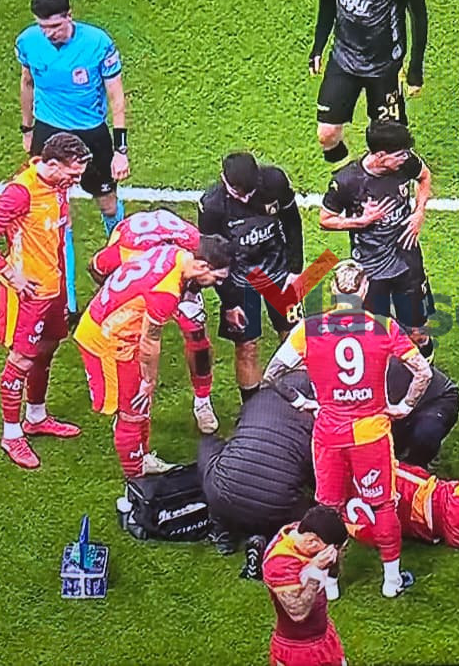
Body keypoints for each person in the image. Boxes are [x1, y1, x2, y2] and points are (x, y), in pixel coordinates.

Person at [262, 259, 433, 598]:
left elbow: (272, 374)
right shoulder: (384, 327)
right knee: (383, 504)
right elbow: (423, 373)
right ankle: (391, 581)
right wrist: (405, 406)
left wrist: (301, 402)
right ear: (365, 289)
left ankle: (331, 584)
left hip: (329, 433)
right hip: (371, 433)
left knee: (329, 510)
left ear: (333, 290)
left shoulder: (309, 329)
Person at [198, 361, 458, 551]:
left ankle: (224, 536)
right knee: (313, 508)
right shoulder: (323, 416)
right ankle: (264, 537)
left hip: (224, 496)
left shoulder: (259, 400)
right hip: (281, 504)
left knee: (212, 452)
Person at [0, 133, 92, 469]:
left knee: (48, 347)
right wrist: (11, 275)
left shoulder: (57, 185)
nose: (76, 181)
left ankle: (36, 418)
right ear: (51, 164)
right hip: (30, 294)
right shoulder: (21, 192)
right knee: (21, 360)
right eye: (73, 174)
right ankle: (11, 435)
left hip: (53, 286)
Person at [73, 237, 232, 477]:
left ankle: (142, 457)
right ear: (201, 266)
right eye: (217, 278)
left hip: (113, 327)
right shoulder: (166, 292)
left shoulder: (174, 253)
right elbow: (150, 341)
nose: (217, 284)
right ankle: (136, 477)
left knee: (140, 405)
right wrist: (149, 380)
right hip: (110, 341)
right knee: (132, 410)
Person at [17, 0, 129, 317]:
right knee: (55, 214)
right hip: (48, 131)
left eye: (55, 26)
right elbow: (27, 83)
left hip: (91, 133)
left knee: (108, 204)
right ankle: (66, 304)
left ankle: (122, 271)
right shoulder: (28, 42)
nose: (48, 34)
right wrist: (27, 129)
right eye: (42, 27)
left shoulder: (98, 43)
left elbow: (116, 96)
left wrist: (120, 149)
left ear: (70, 15)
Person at [87, 208, 221, 433]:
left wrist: (189, 293)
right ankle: (126, 399)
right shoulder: (126, 250)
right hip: (147, 281)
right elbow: (96, 266)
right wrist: (110, 292)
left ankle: (202, 400)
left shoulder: (192, 246)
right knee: (132, 339)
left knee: (197, 335)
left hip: (179, 279)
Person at [319, 120, 435, 356]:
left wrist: (419, 212)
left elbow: (424, 176)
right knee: (376, 333)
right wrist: (361, 222)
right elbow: (325, 219)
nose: (406, 158)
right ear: (381, 156)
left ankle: (426, 371)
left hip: (407, 259)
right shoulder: (347, 181)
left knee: (418, 331)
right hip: (371, 269)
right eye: (400, 155)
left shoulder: (405, 163)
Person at [311, 0, 428, 164]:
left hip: (384, 66)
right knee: (326, 135)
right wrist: (318, 47)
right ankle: (350, 176)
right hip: (344, 59)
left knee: (390, 144)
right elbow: (327, 2)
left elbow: (419, 16)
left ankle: (406, 175)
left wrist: (415, 69)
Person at [198, 152, 305, 404]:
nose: (246, 198)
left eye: (250, 192)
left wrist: (295, 269)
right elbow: (213, 255)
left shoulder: (275, 181)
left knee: (294, 337)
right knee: (247, 347)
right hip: (240, 279)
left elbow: (292, 222)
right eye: (239, 193)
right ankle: (252, 409)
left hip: (277, 271)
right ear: (224, 180)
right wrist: (230, 302)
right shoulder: (212, 206)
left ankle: (298, 399)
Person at [262, 505, 350, 666]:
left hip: (323, 636)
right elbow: (297, 613)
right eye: (333, 549)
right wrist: (315, 571)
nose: (335, 554)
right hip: (298, 650)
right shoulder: (280, 564)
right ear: (312, 542)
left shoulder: (302, 531)